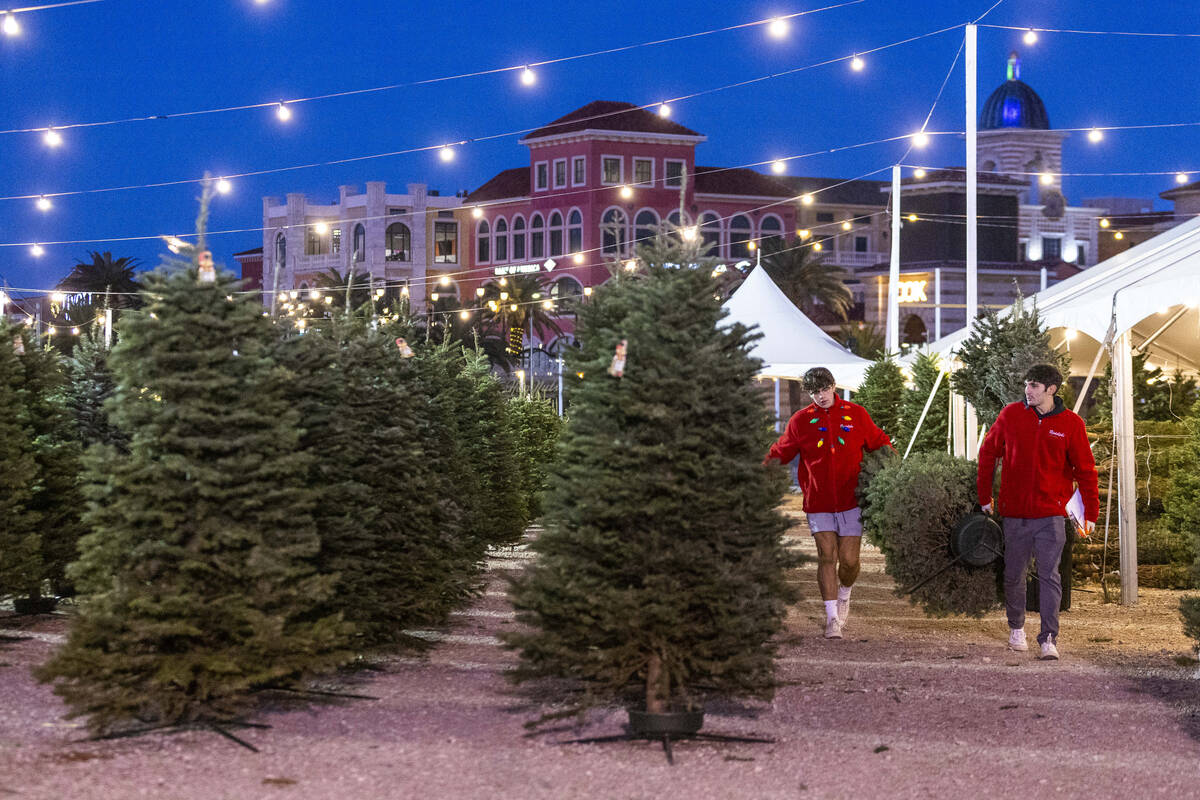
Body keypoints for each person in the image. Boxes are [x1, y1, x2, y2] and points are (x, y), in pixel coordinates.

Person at [977, 364, 1099, 661]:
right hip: (1016, 513)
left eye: (1033, 386)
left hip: (1052, 515)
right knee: (1014, 575)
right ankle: (1016, 628)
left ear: (1051, 390)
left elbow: (1086, 470)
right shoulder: (1011, 416)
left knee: (1050, 576)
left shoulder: (1071, 424)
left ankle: (1048, 638)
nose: (1027, 390)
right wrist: (985, 496)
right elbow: (988, 452)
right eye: (1027, 385)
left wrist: (1091, 513)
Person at [765, 367, 892, 639]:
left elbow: (879, 442)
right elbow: (782, 450)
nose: (820, 396)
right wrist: (761, 468)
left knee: (849, 561)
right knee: (826, 556)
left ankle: (845, 593)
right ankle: (832, 618)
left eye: (824, 389)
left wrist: (894, 467)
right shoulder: (800, 421)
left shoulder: (856, 414)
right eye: (814, 392)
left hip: (851, 500)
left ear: (833, 386)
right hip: (817, 500)